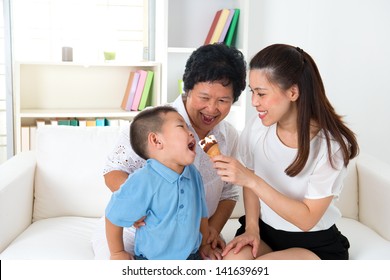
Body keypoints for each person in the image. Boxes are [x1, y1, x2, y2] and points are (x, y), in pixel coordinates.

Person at [91, 43, 247, 259]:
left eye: (223, 101)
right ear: (188, 89)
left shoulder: (228, 135)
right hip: (136, 236)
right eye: (204, 98)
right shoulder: (154, 123)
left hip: (191, 243)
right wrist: (137, 204)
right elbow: (113, 171)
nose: (212, 109)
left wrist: (210, 233)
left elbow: (228, 193)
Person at [213, 43, 359, 260]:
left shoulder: (330, 146)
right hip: (264, 232)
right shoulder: (257, 126)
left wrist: (250, 179)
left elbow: (307, 219)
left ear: (293, 92)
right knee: (231, 265)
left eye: (261, 93)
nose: (254, 102)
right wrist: (252, 228)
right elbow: (251, 183)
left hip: (313, 244)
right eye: (253, 92)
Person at [105, 106, 218, 260]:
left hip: (192, 257)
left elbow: (201, 216)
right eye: (181, 126)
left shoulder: (194, 174)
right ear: (156, 140)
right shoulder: (142, 180)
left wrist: (205, 245)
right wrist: (117, 253)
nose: (191, 132)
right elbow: (113, 216)